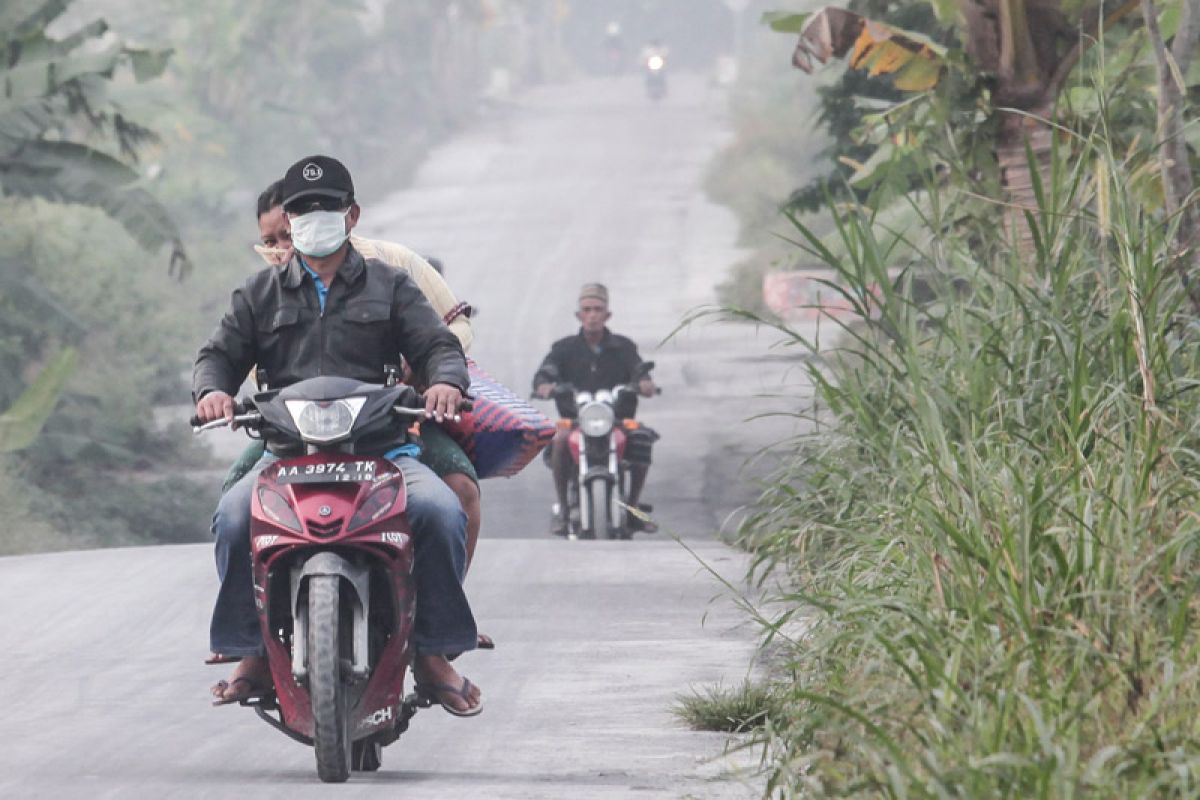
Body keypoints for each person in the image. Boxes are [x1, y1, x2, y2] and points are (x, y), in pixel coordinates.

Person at [195, 155, 481, 716]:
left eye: (323, 207)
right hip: (288, 451)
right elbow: (217, 355)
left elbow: (437, 346)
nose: (309, 218)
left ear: (350, 215)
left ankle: (432, 653)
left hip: (382, 449)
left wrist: (446, 383)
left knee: (443, 512)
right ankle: (250, 651)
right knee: (232, 516)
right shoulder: (259, 294)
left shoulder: (392, 285)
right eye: (300, 209)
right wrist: (212, 391)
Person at [251, 181, 482, 569]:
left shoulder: (394, 270)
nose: (279, 249)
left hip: (390, 424)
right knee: (235, 508)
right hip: (292, 433)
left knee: (454, 495)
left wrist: (432, 376)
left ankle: (445, 619)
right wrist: (214, 392)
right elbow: (228, 357)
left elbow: (448, 334)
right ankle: (249, 621)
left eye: (287, 235)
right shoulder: (264, 290)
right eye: (270, 241)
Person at [532, 283, 658, 536]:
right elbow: (546, 372)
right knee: (559, 439)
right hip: (576, 421)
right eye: (587, 309)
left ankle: (632, 508)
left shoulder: (624, 347)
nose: (592, 315)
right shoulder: (563, 348)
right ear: (579, 315)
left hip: (618, 421)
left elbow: (639, 370)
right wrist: (545, 385)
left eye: (598, 309)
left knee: (642, 437)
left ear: (607, 314)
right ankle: (565, 511)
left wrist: (644, 383)